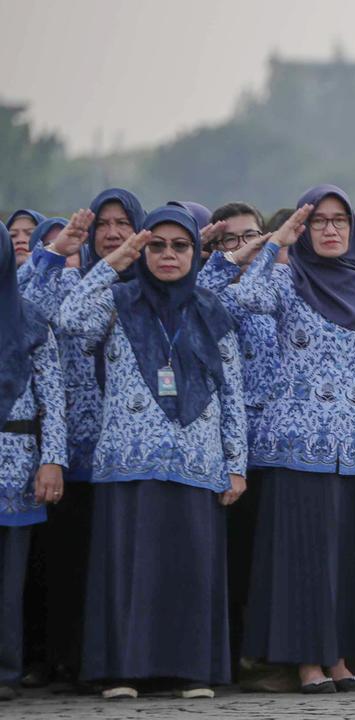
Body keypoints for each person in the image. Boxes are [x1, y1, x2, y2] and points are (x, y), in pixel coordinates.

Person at [60, 205, 246, 699]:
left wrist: (236, 465)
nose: (168, 255)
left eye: (180, 246)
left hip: (197, 461)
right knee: (130, 570)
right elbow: (70, 320)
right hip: (129, 460)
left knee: (190, 569)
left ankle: (191, 672)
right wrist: (115, 261)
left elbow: (232, 392)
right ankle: (123, 671)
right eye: (156, 246)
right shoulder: (118, 301)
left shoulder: (211, 309)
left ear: (195, 252)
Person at [238, 185, 355, 694]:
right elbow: (243, 298)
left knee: (348, 557)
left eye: (340, 220)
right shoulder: (288, 278)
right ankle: (306, 660)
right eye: (318, 221)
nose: (330, 229)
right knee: (305, 557)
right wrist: (276, 244)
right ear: (304, 227)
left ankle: (339, 657)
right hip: (299, 444)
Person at [16, 188, 145, 685]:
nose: (112, 233)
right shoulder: (74, 281)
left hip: (127, 448)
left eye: (122, 224)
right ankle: (56, 658)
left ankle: (110, 659)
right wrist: (54, 253)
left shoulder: (152, 287)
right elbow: (22, 304)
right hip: (69, 445)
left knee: (112, 561)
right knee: (63, 558)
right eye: (103, 225)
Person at [191, 201, 284, 686]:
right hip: (227, 442)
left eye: (253, 235)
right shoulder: (209, 289)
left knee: (267, 553)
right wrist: (223, 261)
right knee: (230, 550)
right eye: (232, 238)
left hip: (276, 441)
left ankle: (264, 654)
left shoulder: (277, 284)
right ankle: (225, 657)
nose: (245, 246)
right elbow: (196, 300)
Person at [0, 224, 66, 701]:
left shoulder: (30, 320)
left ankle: (5, 670)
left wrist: (52, 461)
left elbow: (53, 400)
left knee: (9, 580)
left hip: (16, 465)